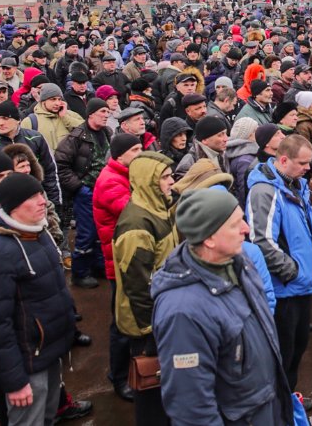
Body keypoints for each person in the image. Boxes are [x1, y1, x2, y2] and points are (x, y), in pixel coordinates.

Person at [152, 187, 299, 426]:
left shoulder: (240, 262)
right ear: (209, 238)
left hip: (265, 409)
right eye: (235, 224)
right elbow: (191, 407)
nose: (247, 228)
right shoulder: (183, 312)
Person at [0, 173, 76, 425]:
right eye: (32, 197)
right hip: (27, 362)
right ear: (13, 205)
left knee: (49, 416)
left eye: (41, 193)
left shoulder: (38, 232)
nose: (42, 201)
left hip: (49, 351)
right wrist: (14, 381)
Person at [246, 134, 312, 410]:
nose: (308, 168)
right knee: (282, 352)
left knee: (297, 347)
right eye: (302, 163)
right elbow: (261, 241)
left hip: (300, 286)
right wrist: (293, 272)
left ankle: (287, 400)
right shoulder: (265, 191)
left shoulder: (297, 184)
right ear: (283, 160)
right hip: (284, 290)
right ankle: (278, 407)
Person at [112, 152, 177, 424]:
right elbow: (138, 285)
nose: (171, 182)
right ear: (147, 182)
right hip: (147, 322)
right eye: (164, 177)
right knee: (151, 387)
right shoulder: (137, 224)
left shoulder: (159, 207)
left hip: (161, 313)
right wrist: (151, 330)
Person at [92, 132, 143, 402]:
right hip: (119, 260)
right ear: (120, 154)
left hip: (126, 257)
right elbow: (134, 213)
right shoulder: (111, 181)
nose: (140, 154)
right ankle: (119, 376)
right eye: (135, 150)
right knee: (122, 324)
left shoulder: (124, 174)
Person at [55, 97, 112, 288]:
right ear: (90, 115)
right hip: (86, 192)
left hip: (103, 190)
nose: (106, 115)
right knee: (86, 233)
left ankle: (97, 266)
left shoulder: (107, 132)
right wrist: (79, 187)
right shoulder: (76, 137)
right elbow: (61, 164)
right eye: (102, 112)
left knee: (100, 231)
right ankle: (80, 273)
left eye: (107, 112)